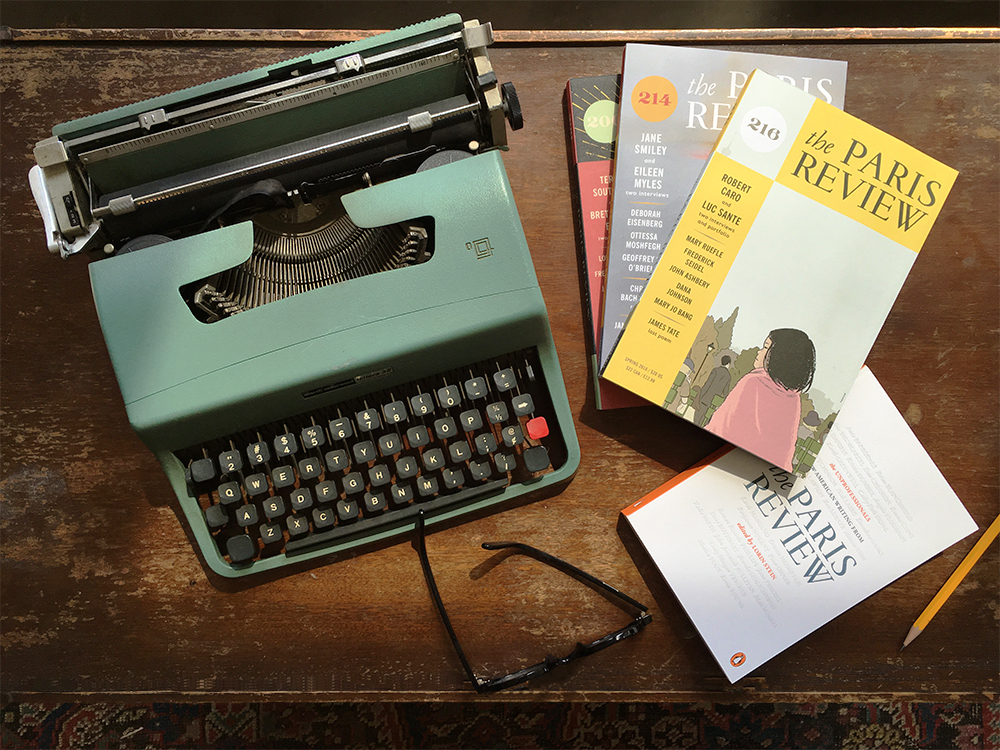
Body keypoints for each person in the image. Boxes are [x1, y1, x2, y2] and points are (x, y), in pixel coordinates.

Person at [707, 329, 816, 470]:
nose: (759, 352)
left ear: (778, 356)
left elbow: (721, 428)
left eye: (765, 347)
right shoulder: (794, 398)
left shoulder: (752, 382)